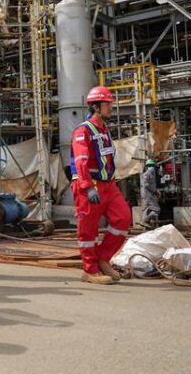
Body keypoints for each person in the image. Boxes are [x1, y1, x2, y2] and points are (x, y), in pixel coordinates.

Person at [70, 85, 132, 285]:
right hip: (89, 186)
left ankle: (102, 258)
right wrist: (88, 187)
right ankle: (89, 270)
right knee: (88, 230)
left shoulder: (104, 130)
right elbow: (81, 160)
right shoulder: (83, 130)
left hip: (108, 185)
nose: (111, 107)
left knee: (123, 218)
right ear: (96, 107)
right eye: (107, 104)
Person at [141, 158, 160, 228]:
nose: (151, 167)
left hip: (149, 194)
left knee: (148, 208)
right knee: (157, 209)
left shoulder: (151, 174)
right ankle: (145, 220)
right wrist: (155, 191)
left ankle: (146, 222)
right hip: (148, 194)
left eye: (152, 165)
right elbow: (146, 185)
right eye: (149, 166)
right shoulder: (147, 174)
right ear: (146, 167)